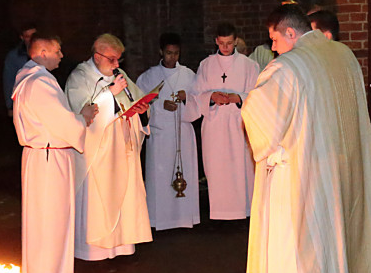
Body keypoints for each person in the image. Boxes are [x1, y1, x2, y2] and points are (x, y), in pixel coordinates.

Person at [241, 4, 371, 273]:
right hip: (341, 172)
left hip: (301, 176)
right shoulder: (343, 55)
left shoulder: (289, 66)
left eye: (275, 39)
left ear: (291, 33)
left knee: (300, 246)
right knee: (337, 237)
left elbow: (261, 115)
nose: (273, 47)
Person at [12, 34, 98, 273]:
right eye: (58, 51)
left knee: (45, 218)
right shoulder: (40, 83)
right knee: (52, 218)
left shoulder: (27, 77)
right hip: (49, 158)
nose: (62, 56)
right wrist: (82, 117)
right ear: (43, 51)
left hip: (41, 156)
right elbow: (62, 123)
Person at [65, 34, 152, 260]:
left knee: (125, 196)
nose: (116, 65)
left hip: (122, 145)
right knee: (99, 199)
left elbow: (135, 99)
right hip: (99, 151)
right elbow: (82, 112)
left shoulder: (119, 76)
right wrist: (109, 94)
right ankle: (94, 252)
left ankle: (122, 246)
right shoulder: (80, 77)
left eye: (119, 60)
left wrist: (142, 111)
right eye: (112, 59)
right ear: (97, 56)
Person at [192, 23, 259, 220]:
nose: (226, 47)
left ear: (236, 41)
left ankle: (243, 211)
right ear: (216, 41)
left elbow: (258, 95)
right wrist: (212, 96)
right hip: (215, 124)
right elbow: (196, 94)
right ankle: (219, 213)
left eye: (229, 43)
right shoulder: (206, 65)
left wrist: (238, 98)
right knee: (217, 169)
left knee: (241, 167)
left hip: (238, 123)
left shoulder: (249, 65)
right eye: (222, 44)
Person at [136, 33, 201, 230]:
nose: (172, 57)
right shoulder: (148, 77)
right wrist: (157, 106)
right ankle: (159, 219)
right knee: (161, 177)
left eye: (176, 53)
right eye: (169, 53)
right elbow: (139, 106)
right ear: (161, 52)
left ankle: (184, 218)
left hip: (183, 134)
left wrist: (186, 99)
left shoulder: (189, 75)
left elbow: (199, 104)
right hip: (161, 135)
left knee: (186, 174)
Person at [3, 25, 36, 116]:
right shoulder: (14, 56)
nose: (31, 39)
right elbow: (9, 80)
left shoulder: (45, 52)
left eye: (33, 35)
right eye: (27, 36)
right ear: (22, 37)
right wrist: (10, 106)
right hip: (23, 102)